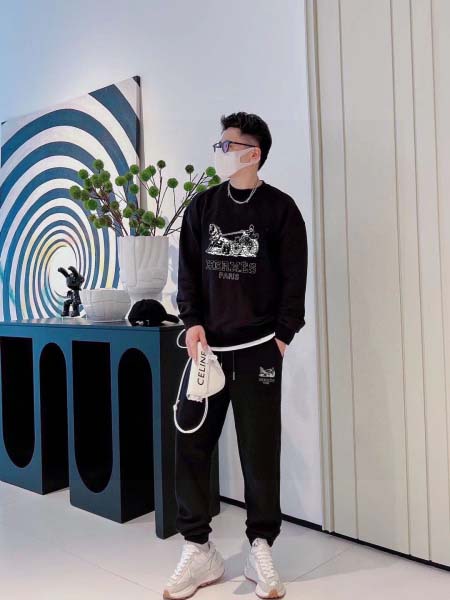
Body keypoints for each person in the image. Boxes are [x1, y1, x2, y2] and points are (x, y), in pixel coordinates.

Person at [163, 112, 308, 600]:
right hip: (207, 350)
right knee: (191, 443)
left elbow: (294, 281)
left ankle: (259, 546)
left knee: (259, 450)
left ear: (253, 153)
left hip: (258, 350)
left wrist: (281, 337)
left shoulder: (281, 211)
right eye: (219, 144)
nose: (219, 152)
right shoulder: (202, 207)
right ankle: (198, 549)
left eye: (227, 146)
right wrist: (191, 322)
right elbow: (187, 274)